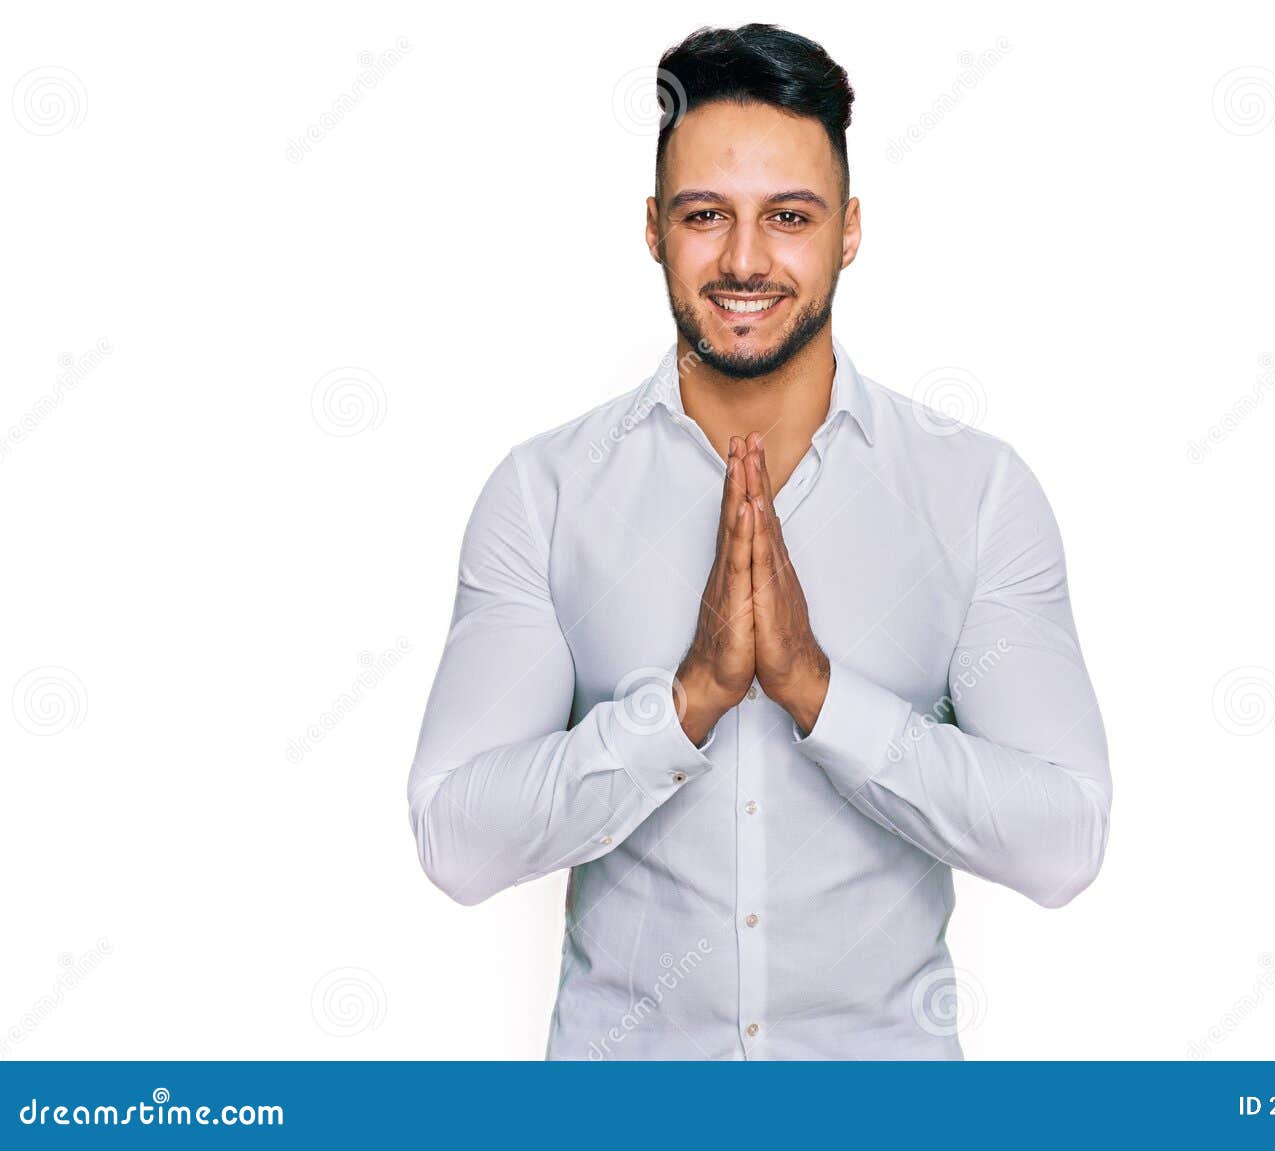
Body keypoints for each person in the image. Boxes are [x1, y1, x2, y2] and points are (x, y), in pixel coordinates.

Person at [406, 23, 1111, 1060]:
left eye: (788, 215)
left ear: (849, 229)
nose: (743, 259)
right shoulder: (545, 494)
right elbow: (456, 838)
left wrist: (820, 696)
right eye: (705, 215)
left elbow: (1064, 839)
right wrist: (683, 705)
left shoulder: (974, 493)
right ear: (653, 227)